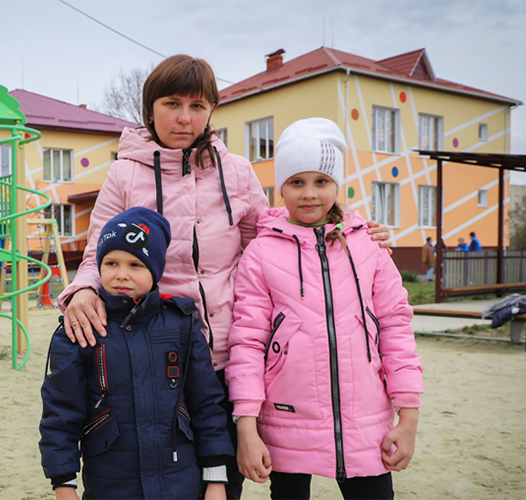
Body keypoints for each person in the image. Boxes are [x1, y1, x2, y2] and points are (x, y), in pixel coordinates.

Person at [56, 54, 393, 499]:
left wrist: (346, 229)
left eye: (197, 106)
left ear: (212, 110)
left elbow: (275, 234)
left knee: (222, 480)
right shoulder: (123, 174)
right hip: (158, 354)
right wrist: (81, 289)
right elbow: (98, 249)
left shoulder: (235, 171)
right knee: (166, 478)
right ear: (149, 108)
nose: (184, 117)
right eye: (172, 103)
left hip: (228, 355)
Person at [227, 118, 423, 500]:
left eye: (321, 181)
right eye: (296, 182)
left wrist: (409, 416)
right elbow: (247, 343)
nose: (309, 194)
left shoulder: (368, 247)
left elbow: (396, 329)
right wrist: (246, 428)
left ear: (337, 184)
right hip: (286, 422)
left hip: (366, 423)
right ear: (280, 186)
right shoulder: (260, 254)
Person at [40, 207, 234, 500]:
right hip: (111, 483)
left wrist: (216, 477)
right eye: (111, 263)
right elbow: (60, 412)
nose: (121, 275)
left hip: (180, 482)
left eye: (135, 265)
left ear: (155, 270)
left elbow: (206, 403)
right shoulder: (81, 329)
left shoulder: (182, 325)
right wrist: (63, 483)